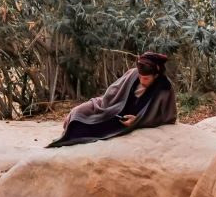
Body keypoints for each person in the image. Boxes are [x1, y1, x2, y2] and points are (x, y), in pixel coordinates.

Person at [46, 52, 176, 148]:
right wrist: (81, 107)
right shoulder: (133, 74)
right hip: (115, 111)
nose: (142, 81)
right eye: (140, 77)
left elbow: (168, 117)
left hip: (125, 123)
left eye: (146, 79)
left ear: (156, 75)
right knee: (77, 116)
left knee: (84, 132)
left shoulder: (164, 88)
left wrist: (138, 121)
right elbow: (109, 97)